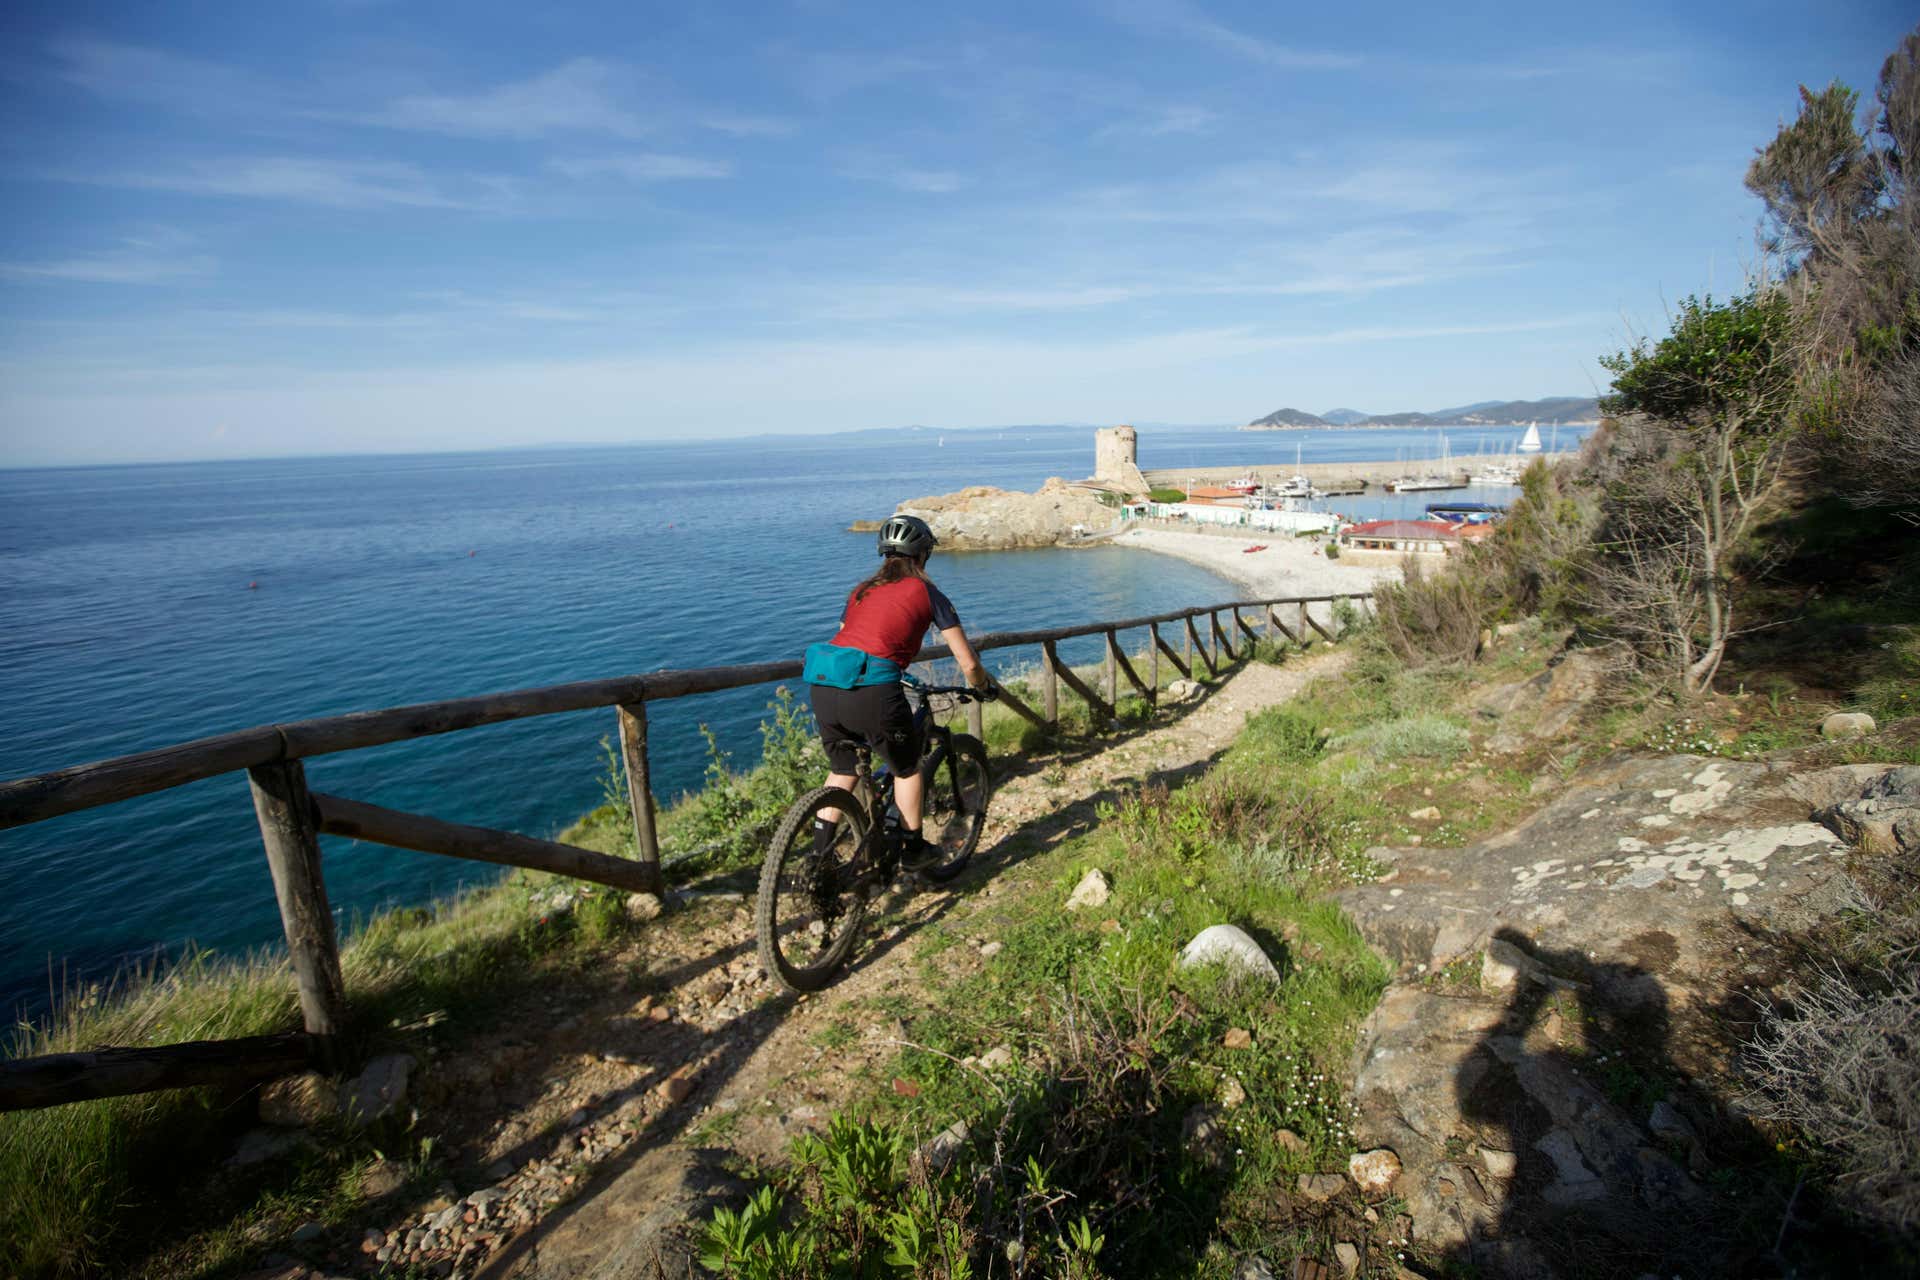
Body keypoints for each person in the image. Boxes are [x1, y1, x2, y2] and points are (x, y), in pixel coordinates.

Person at [801, 514, 993, 869]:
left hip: (825, 686)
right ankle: (914, 849)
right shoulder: (928, 592)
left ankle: (818, 859)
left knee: (842, 770)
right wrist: (984, 687)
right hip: (873, 690)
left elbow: (852, 638)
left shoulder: (861, 590)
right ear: (921, 556)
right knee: (907, 769)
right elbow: (967, 662)